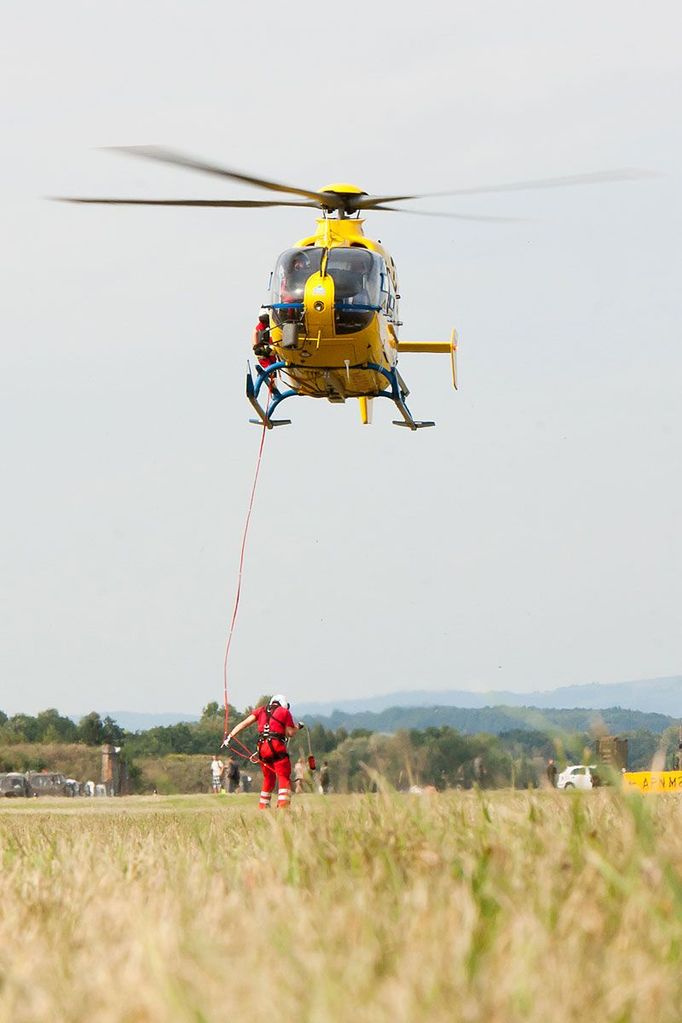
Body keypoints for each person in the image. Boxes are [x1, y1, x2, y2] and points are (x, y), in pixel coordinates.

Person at [224, 694, 303, 809]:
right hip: (277, 747)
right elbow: (290, 733)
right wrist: (298, 727)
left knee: (269, 778)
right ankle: (283, 806)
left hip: (262, 749)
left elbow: (244, 724)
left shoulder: (261, 710)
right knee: (283, 776)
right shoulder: (284, 712)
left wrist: (230, 737)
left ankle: (263, 806)